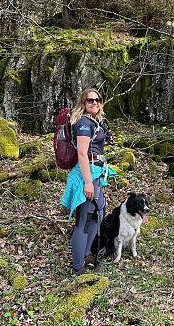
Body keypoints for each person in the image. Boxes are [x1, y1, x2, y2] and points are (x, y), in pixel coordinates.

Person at [60, 88, 116, 275]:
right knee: (83, 220)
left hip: (96, 172)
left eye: (97, 99)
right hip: (87, 174)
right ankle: (77, 267)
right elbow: (82, 154)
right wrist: (87, 182)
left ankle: (85, 255)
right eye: (90, 100)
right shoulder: (84, 123)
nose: (94, 103)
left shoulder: (95, 122)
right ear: (83, 103)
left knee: (95, 216)